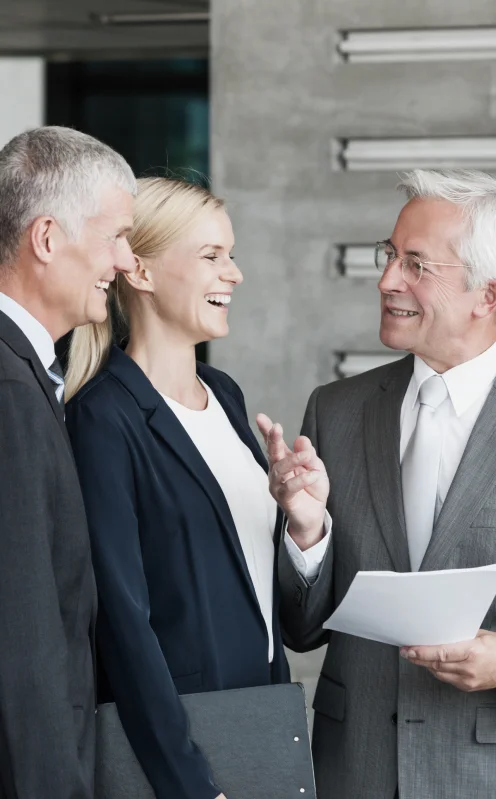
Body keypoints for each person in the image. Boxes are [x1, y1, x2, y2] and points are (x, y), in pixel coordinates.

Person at [257, 169, 496, 799]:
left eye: (417, 264)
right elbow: (302, 630)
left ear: (487, 295)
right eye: (390, 256)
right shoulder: (334, 410)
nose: (388, 280)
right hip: (353, 769)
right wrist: (306, 530)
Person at [64, 176, 290, 799]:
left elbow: (259, 590)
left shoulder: (228, 397)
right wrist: (186, 777)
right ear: (138, 270)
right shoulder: (102, 417)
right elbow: (122, 623)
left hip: (263, 727)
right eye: (212, 256)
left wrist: (301, 521)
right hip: (185, 754)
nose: (235, 274)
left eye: (232, 254)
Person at [0, 126, 136, 798]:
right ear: (47, 239)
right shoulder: (8, 390)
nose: (123, 260)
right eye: (115, 235)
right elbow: (22, 639)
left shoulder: (25, 376)